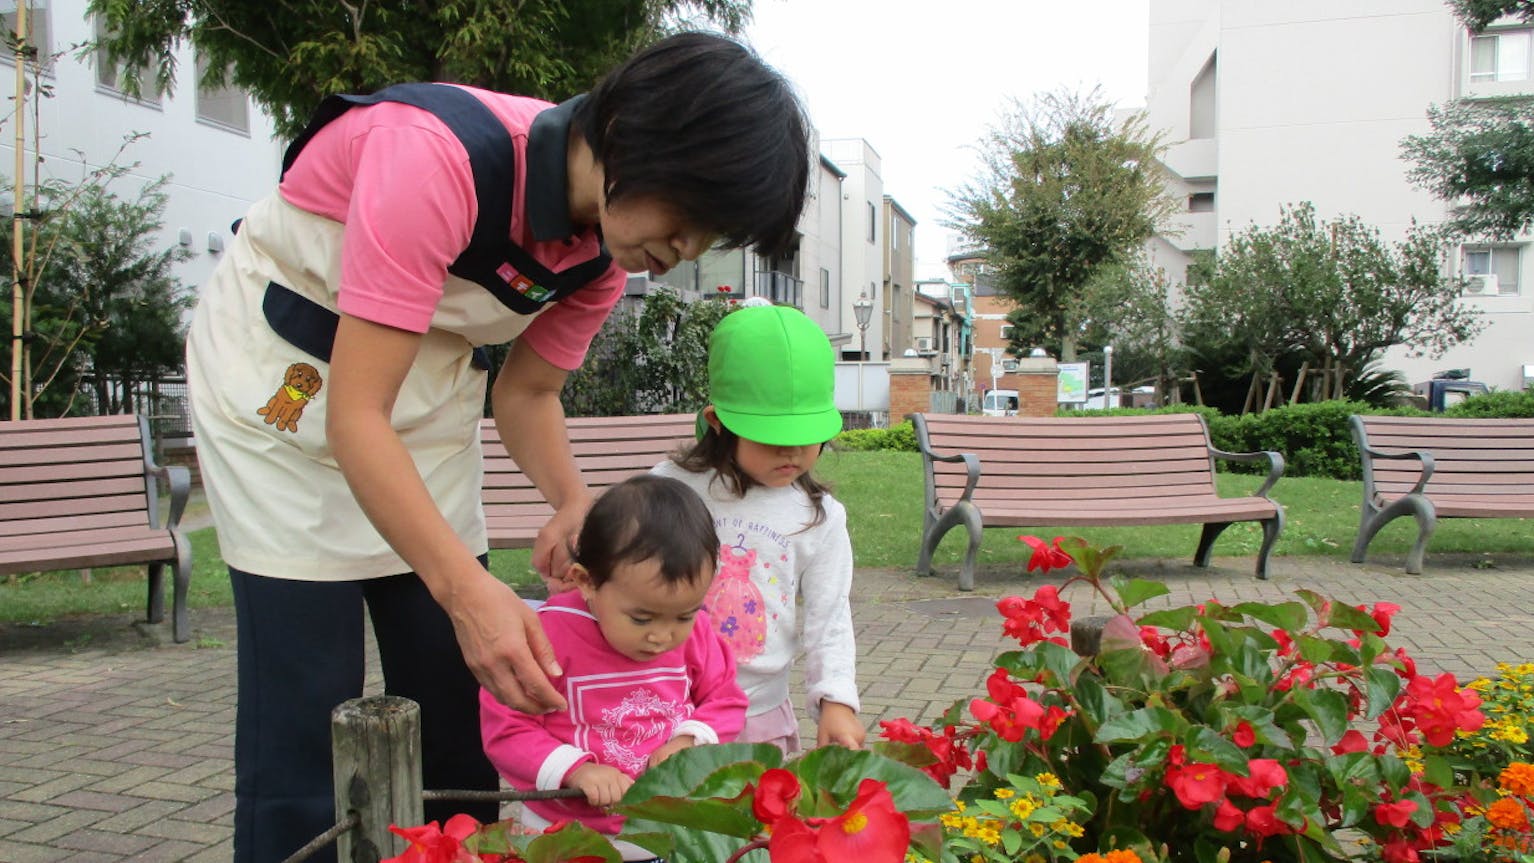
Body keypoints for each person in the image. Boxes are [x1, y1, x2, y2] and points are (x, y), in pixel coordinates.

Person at [183, 32, 809, 863]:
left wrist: (571, 502)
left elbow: (527, 393)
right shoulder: (434, 159)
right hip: (285, 396)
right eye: (689, 215)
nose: (684, 251)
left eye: (708, 236)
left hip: (421, 407)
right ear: (634, 135)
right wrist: (469, 591)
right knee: (307, 697)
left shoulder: (602, 258)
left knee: (458, 692)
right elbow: (355, 415)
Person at [480, 474, 748, 862]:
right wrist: (577, 771)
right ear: (586, 581)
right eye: (641, 619)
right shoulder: (546, 637)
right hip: (568, 837)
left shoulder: (697, 633)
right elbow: (507, 728)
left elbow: (725, 699)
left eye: (683, 615)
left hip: (670, 832)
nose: (662, 636)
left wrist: (689, 742)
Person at [651, 302, 864, 753]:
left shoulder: (818, 516)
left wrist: (835, 699)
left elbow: (830, 617)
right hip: (663, 713)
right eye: (770, 437)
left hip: (757, 715)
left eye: (807, 435)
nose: (791, 452)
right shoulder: (666, 489)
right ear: (718, 421)